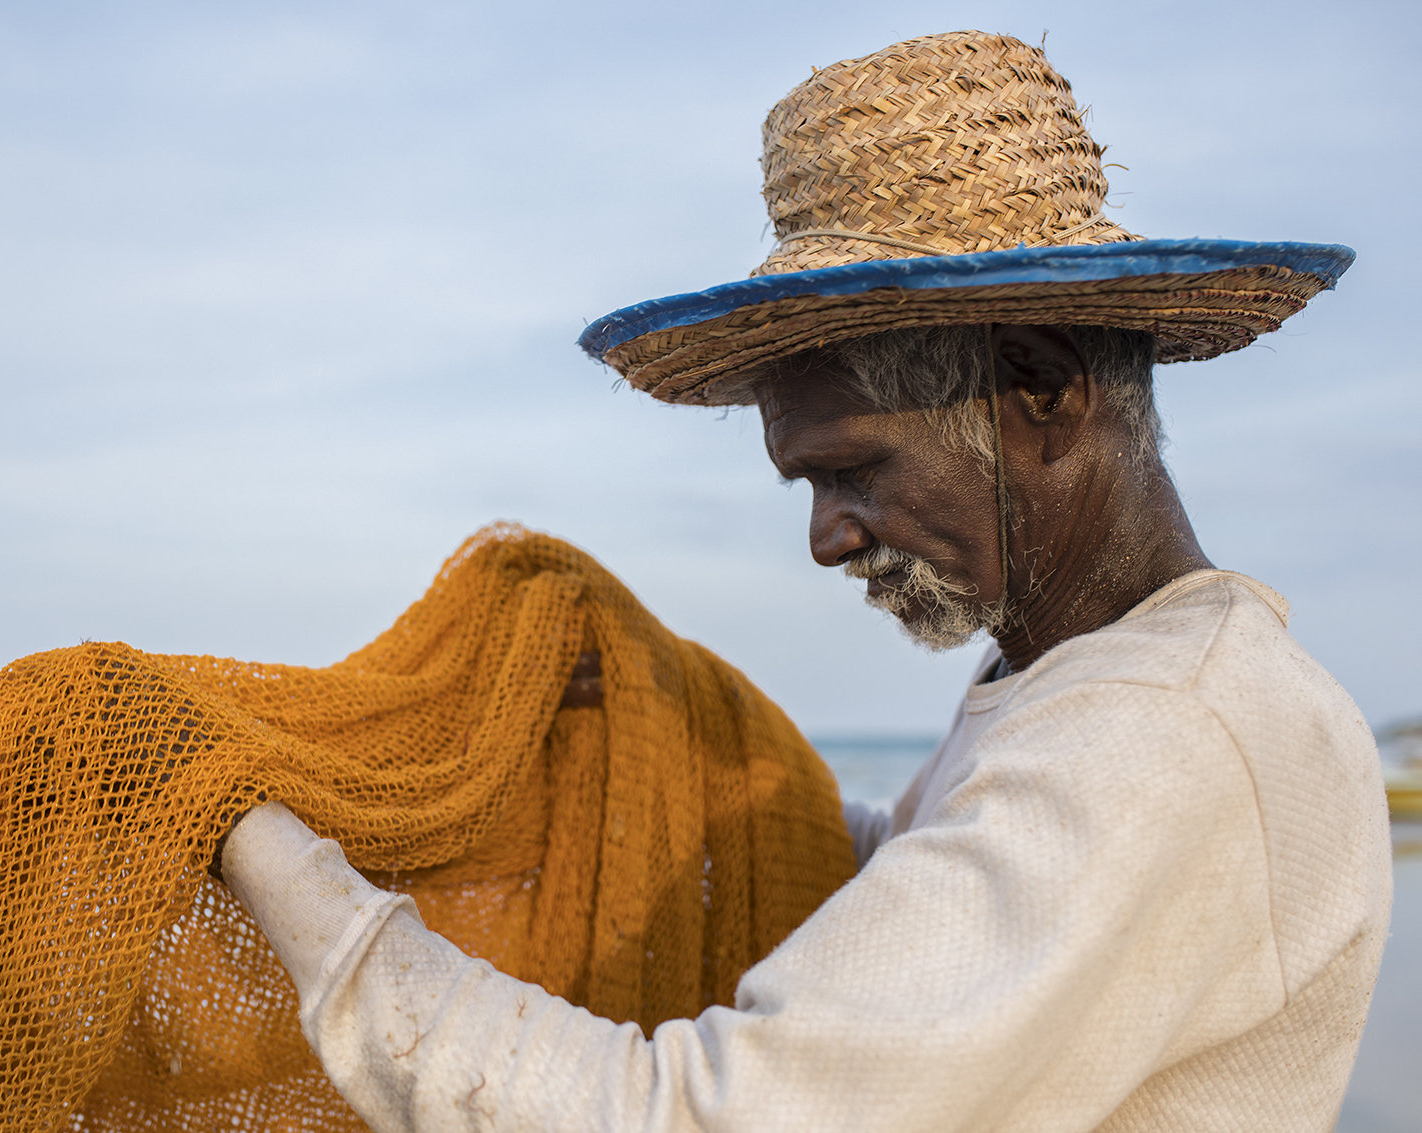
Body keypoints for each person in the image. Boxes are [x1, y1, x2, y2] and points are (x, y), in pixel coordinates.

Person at [208, 31, 1391, 1131]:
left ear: (1040, 386)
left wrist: (272, 860)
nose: (827, 537)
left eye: (852, 470)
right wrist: (661, 731)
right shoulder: (1076, 678)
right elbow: (910, 876)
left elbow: (692, 1112)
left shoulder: (1153, 736)